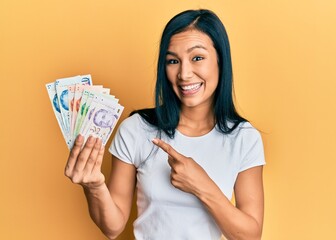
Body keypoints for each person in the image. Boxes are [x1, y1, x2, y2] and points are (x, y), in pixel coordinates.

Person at [65, 9, 266, 240]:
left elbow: (250, 236)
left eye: (197, 58)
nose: (184, 74)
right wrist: (94, 187)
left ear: (221, 60)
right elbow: (113, 227)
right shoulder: (136, 129)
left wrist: (202, 185)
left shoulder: (244, 138)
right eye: (173, 61)